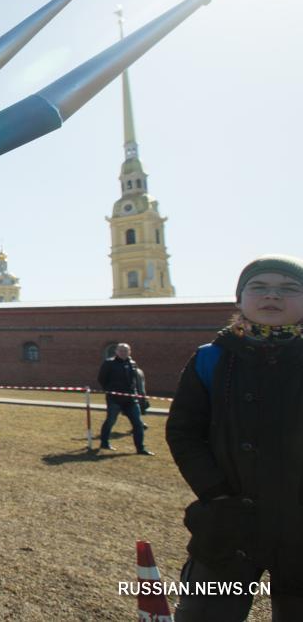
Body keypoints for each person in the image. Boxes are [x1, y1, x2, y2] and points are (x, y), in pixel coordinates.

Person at [167, 255, 303, 621]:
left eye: (288, 288)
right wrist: (215, 492)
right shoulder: (211, 359)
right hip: (228, 524)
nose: (272, 296)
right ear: (240, 299)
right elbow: (184, 431)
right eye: (259, 287)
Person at [97, 342, 154, 455]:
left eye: (126, 351)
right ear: (116, 351)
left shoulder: (132, 363)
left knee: (138, 424)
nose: (124, 353)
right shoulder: (109, 363)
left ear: (130, 352)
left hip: (131, 400)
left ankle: (140, 448)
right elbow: (101, 379)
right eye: (121, 350)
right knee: (110, 421)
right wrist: (110, 391)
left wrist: (136, 393)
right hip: (114, 399)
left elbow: (134, 380)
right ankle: (104, 443)